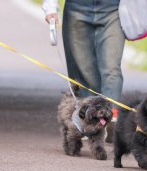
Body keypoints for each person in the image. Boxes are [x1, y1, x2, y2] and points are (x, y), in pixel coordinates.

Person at [43, 0, 125, 143]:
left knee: (112, 69)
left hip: (113, 9)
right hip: (77, 8)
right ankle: (89, 120)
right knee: (84, 71)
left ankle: (111, 119)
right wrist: (50, 6)